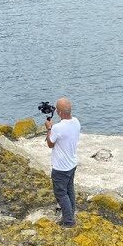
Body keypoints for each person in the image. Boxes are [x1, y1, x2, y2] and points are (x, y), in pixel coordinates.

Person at [44, 97, 81, 228]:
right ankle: (70, 215)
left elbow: (50, 144)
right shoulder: (76, 122)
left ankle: (69, 222)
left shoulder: (57, 128)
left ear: (59, 112)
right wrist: (53, 128)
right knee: (70, 191)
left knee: (61, 194)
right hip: (72, 164)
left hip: (60, 168)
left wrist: (49, 128)